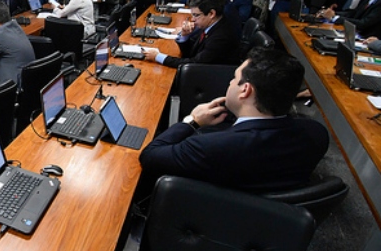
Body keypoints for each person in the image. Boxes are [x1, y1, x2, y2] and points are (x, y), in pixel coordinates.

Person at [139, 48, 329, 193]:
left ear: (245, 90)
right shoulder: (317, 134)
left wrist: (192, 121)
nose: (230, 83)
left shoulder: (210, 147)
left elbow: (150, 156)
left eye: (234, 77)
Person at [143, 0, 239, 69]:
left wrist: (158, 57)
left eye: (196, 15)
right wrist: (184, 36)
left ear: (211, 14)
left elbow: (194, 63)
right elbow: (192, 53)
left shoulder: (221, 36)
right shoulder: (210, 25)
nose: (193, 19)